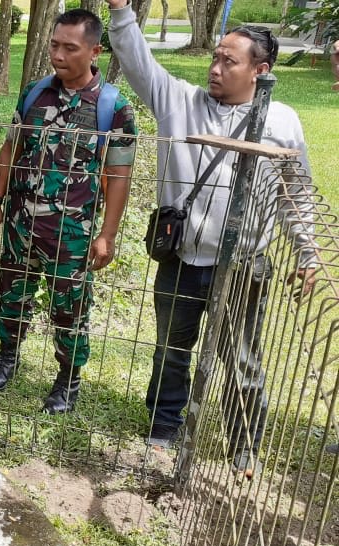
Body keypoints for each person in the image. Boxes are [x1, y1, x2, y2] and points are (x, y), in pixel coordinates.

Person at [106, 0, 318, 477]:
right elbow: (139, 61)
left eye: (230, 61)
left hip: (245, 266)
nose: (215, 67)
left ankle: (244, 446)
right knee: (171, 349)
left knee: (241, 357)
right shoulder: (180, 102)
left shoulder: (283, 122)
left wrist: (308, 251)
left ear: (260, 71)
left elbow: (295, 193)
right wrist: (120, 10)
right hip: (181, 259)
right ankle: (163, 430)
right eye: (215, 57)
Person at [0, 9, 137, 414]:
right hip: (21, 224)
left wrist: (107, 234)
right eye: (54, 45)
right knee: (12, 295)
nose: (59, 55)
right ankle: (7, 357)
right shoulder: (35, 93)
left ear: (94, 51)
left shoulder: (112, 107)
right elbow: (10, 148)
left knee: (69, 306)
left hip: (72, 233)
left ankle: (68, 379)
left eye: (70, 48)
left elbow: (119, 175)